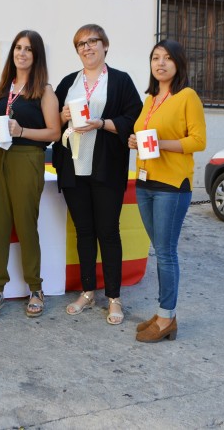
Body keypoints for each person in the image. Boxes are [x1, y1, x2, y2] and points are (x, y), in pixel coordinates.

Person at [0, 30, 60, 319]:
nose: (22, 53)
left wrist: (22, 131)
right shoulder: (4, 86)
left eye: (28, 49)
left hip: (27, 159)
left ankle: (36, 288)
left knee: (26, 225)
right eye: (18, 47)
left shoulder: (45, 90)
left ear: (36, 55)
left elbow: (53, 132)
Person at [52, 24, 142, 325]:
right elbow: (53, 123)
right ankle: (88, 291)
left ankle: (114, 297)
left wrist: (102, 123)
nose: (87, 47)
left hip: (106, 168)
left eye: (93, 41)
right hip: (74, 169)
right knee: (84, 232)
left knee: (108, 231)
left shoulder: (120, 81)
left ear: (105, 46)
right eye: (80, 44)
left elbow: (134, 119)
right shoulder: (68, 83)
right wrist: (62, 116)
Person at [128, 39, 206, 342]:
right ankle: (163, 312)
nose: (160, 63)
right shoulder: (150, 98)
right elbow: (142, 134)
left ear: (179, 63)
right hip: (145, 181)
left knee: (165, 252)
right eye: (155, 58)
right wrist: (134, 141)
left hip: (172, 186)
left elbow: (198, 141)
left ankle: (167, 317)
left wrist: (162, 144)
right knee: (158, 250)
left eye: (167, 58)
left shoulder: (187, 96)